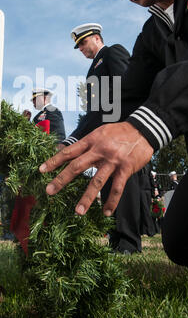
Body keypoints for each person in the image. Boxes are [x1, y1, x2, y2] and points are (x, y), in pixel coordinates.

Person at [40, 0, 188, 268]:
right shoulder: (152, 35)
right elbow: (119, 102)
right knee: (181, 243)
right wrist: (73, 143)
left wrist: (146, 126)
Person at [59, 23, 142, 254]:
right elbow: (92, 115)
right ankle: (116, 241)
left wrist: (129, 128)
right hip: (103, 140)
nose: (82, 49)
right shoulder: (92, 70)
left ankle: (128, 244)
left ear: (96, 38)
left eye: (83, 43)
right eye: (78, 47)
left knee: (122, 187)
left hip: (122, 134)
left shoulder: (112, 53)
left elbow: (129, 89)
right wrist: (70, 141)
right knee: (107, 189)